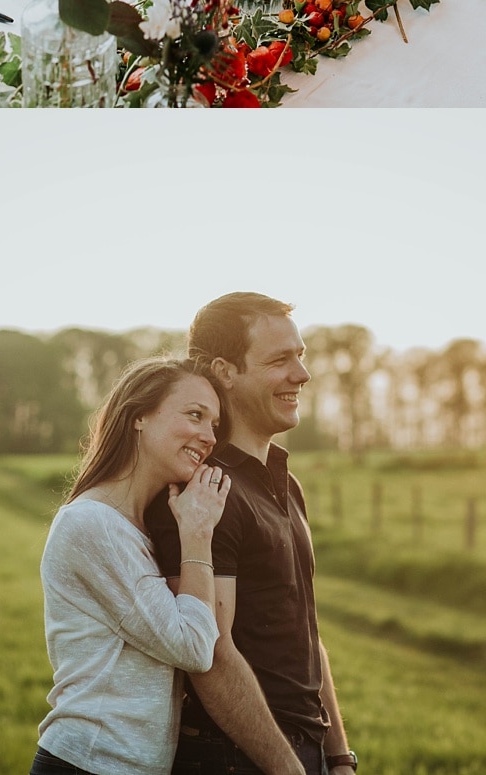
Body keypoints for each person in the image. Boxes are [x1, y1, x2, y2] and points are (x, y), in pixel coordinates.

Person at [147, 295, 354, 775]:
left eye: (300, 356)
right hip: (238, 759)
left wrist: (339, 756)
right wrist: (289, 769)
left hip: (306, 752)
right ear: (225, 371)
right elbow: (213, 656)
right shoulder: (204, 493)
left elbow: (306, 630)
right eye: (280, 360)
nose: (301, 374)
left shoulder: (286, 482)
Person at [31, 357, 228, 775]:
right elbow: (194, 648)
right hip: (88, 763)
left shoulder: (138, 527)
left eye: (214, 424)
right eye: (195, 415)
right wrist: (198, 532)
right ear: (139, 415)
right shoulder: (91, 524)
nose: (209, 436)